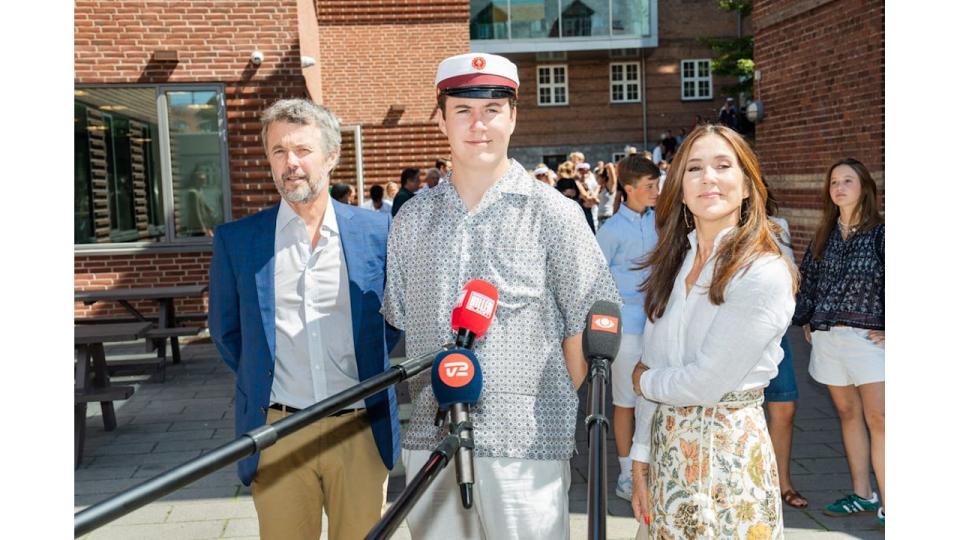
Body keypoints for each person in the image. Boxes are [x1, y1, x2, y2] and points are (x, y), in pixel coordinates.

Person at [382, 52, 620, 539]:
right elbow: (403, 321)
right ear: (442, 117)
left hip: (525, 449)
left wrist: (537, 403)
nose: (479, 125)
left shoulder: (554, 214)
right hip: (432, 441)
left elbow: (586, 324)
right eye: (463, 110)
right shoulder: (410, 220)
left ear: (513, 115)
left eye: (492, 109)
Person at [208, 99, 401, 540]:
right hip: (277, 435)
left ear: (331, 156)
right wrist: (266, 375)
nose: (290, 163)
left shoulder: (378, 233)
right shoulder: (238, 241)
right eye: (278, 151)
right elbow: (227, 333)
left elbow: (391, 323)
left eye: (302, 150)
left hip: (360, 429)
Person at [628, 124, 796, 539]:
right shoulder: (673, 265)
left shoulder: (763, 271)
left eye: (723, 165)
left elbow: (704, 382)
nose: (709, 178)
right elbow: (656, 361)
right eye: (695, 168)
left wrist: (643, 380)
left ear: (746, 184)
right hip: (669, 457)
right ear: (680, 188)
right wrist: (640, 460)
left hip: (728, 459)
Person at [793, 157, 885, 526]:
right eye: (834, 182)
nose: (840, 187)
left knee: (881, 419)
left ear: (865, 188)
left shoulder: (882, 233)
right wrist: (808, 319)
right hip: (829, 339)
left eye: (848, 180)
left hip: (870, 340)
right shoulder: (824, 236)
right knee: (847, 415)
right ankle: (863, 494)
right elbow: (808, 280)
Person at [595, 155, 660, 502]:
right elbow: (596, 279)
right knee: (626, 402)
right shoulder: (611, 230)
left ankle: (651, 468)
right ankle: (625, 473)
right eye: (649, 186)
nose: (656, 191)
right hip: (627, 327)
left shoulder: (660, 222)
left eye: (657, 184)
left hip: (659, 325)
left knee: (657, 396)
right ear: (630, 189)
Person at [763, 181, 807, 511]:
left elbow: (793, 274)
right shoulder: (716, 230)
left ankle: (782, 484)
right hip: (732, 334)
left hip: (774, 333)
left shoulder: (779, 227)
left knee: (784, 406)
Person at [557, 160, 595, 232]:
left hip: (569, 215)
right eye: (579, 169)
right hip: (579, 216)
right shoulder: (572, 182)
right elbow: (585, 197)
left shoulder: (560, 182)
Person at [595, 162, 618, 228]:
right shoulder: (601, 188)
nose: (597, 179)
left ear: (604, 178)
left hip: (607, 218)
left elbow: (613, 179)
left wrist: (609, 167)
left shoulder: (610, 187)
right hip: (600, 218)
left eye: (598, 177)